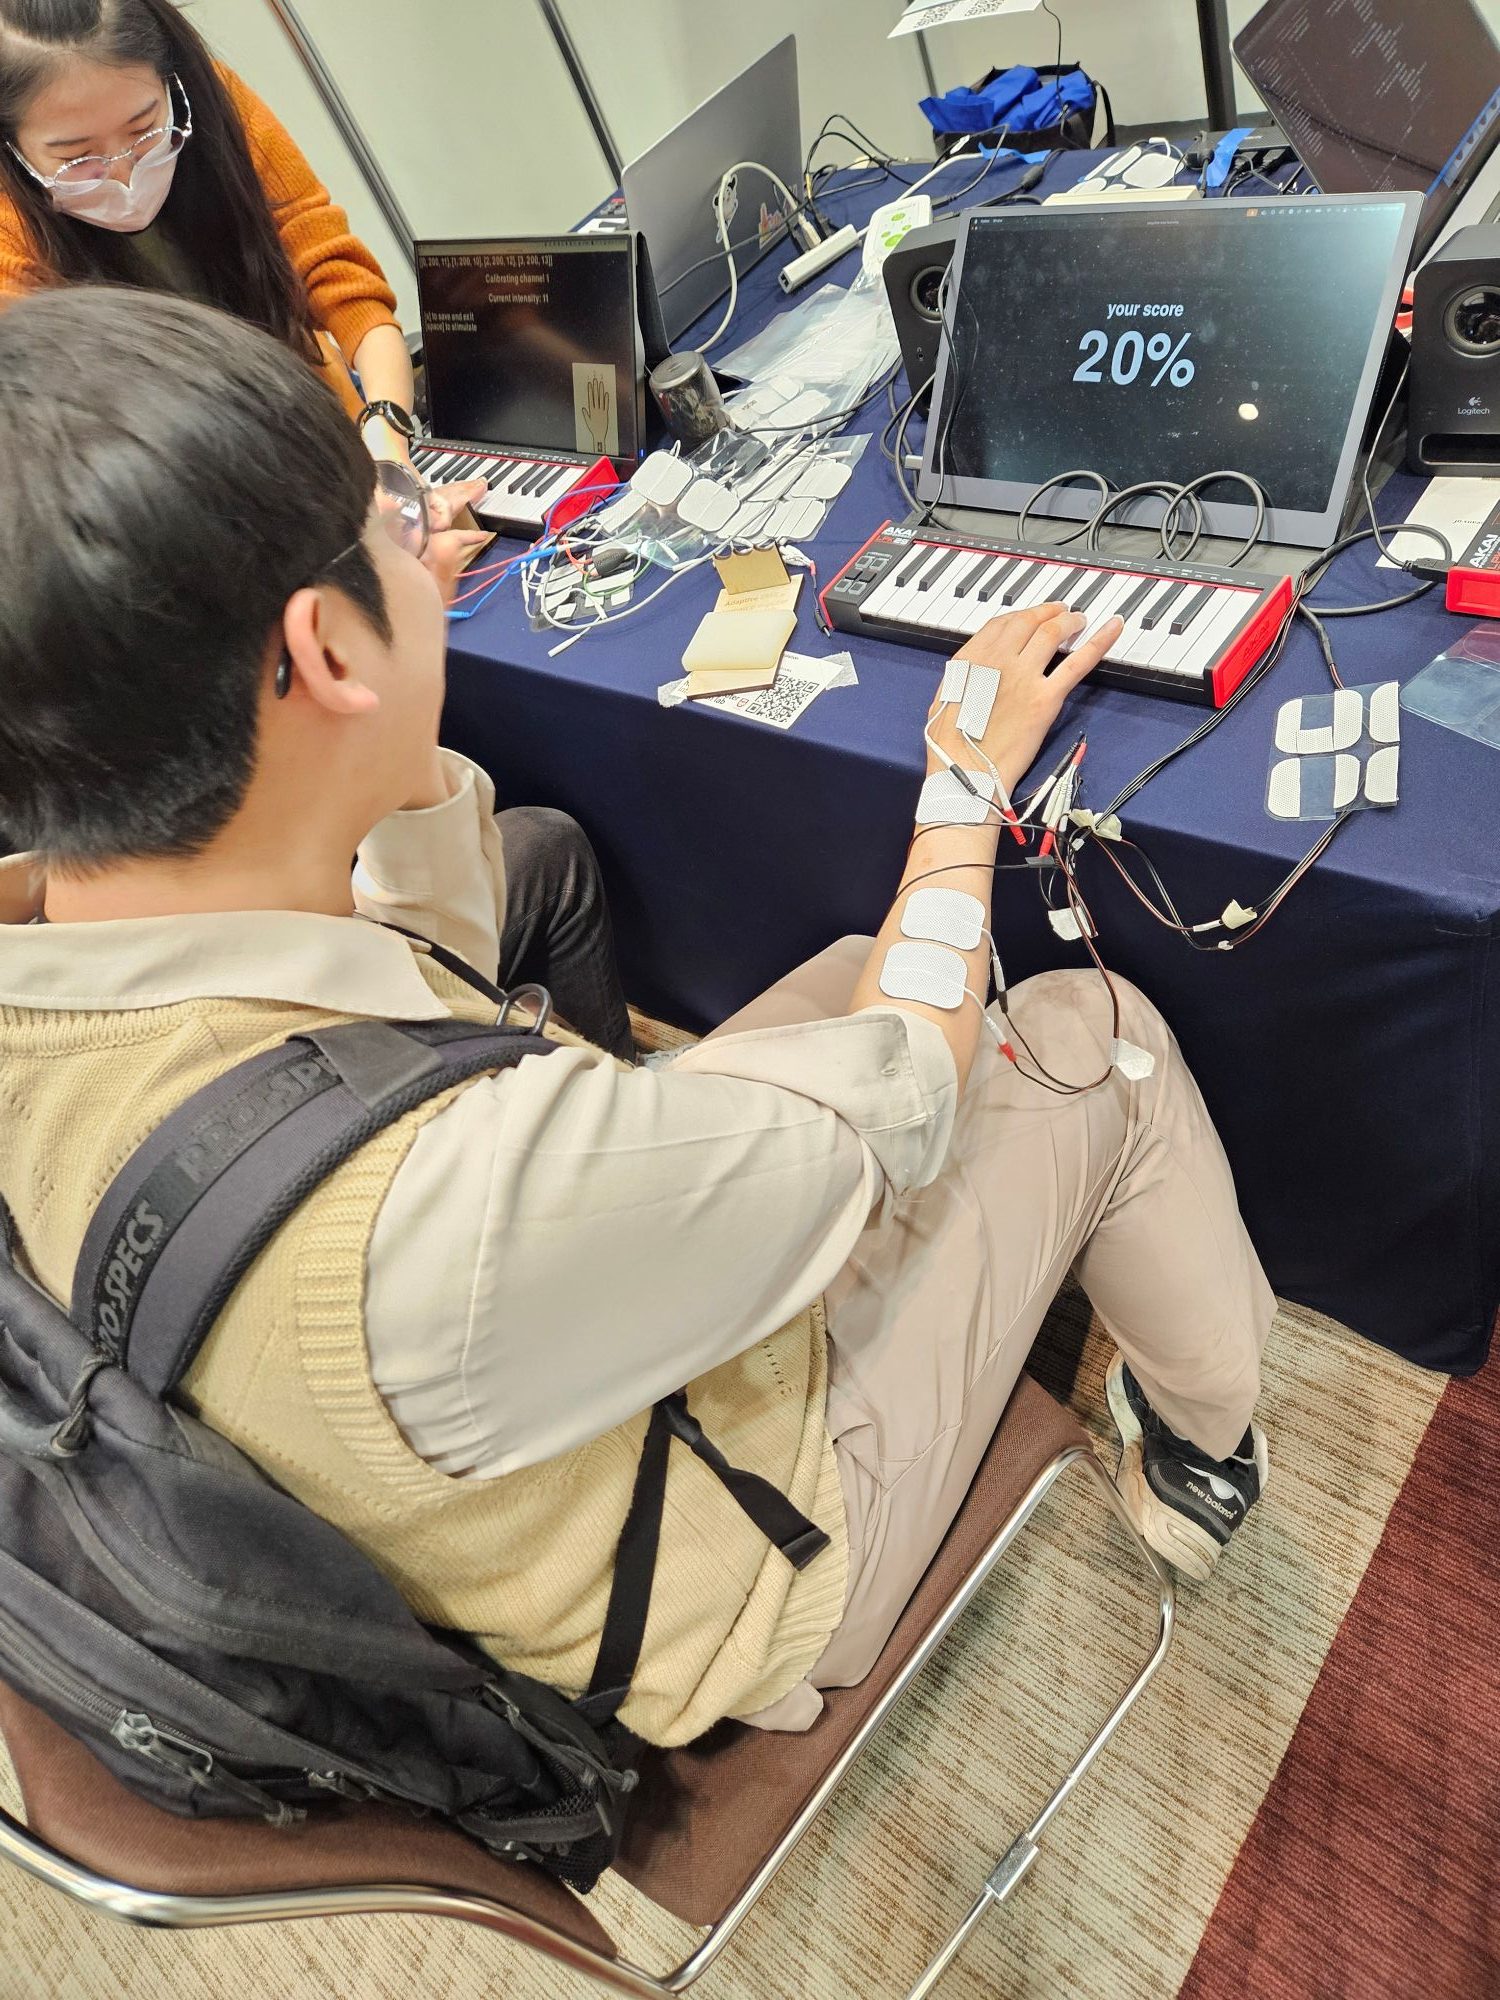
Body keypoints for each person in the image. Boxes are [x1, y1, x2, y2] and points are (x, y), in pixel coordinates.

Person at [0, 288, 1273, 1751]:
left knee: (866, 960)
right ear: (326, 651)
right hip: (745, 1560)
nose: (437, 529)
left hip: (492, 1420)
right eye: (395, 519)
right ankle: (1201, 1455)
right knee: (1092, 1030)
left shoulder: (76, 966)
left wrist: (382, 697)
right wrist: (964, 781)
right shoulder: (452, 1203)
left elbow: (403, 979)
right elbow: (906, 1089)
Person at [0, 0, 417, 464]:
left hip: (314, 425)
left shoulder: (214, 104)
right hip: (159, 478)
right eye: (77, 158)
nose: (124, 175)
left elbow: (333, 273)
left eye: (144, 130)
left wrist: (387, 435)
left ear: (170, 84)